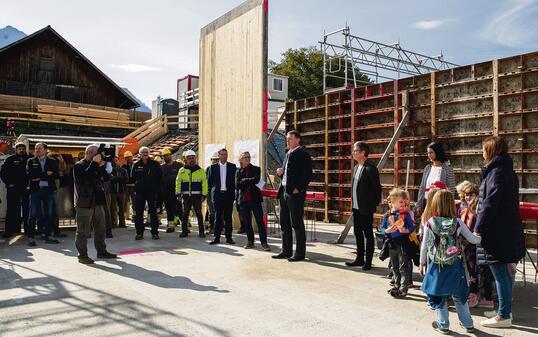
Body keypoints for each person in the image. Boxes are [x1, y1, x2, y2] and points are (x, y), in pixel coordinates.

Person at [475, 136, 525, 328]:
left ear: (491, 151)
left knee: (500, 272)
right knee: (505, 272)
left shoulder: (496, 173)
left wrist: (478, 227)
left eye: (483, 149)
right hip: (506, 229)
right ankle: (505, 311)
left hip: (497, 232)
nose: (482, 152)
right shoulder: (506, 171)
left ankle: (504, 316)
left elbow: (488, 204)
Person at [420, 190, 481, 334]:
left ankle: (443, 325)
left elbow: (424, 245)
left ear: (434, 204)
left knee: (439, 295)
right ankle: (468, 324)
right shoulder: (457, 222)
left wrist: (422, 263)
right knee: (459, 296)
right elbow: (473, 240)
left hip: (436, 265)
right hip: (455, 264)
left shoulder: (430, 222)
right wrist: (480, 235)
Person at [73, 144, 117, 264]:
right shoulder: (79, 166)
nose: (99, 156)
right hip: (85, 202)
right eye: (96, 153)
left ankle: (101, 251)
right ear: (89, 153)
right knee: (83, 231)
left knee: (101, 228)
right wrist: (95, 164)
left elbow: (106, 178)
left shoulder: (96, 165)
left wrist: (101, 167)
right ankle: (82, 255)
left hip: (98, 201)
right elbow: (85, 178)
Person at [272, 130, 312, 261]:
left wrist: (298, 188)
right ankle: (286, 250)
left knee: (297, 223)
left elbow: (307, 175)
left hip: (294, 193)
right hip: (284, 191)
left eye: (290, 139)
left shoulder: (302, 154)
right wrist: (281, 172)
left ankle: (300, 253)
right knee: (284, 223)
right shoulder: (288, 154)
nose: (287, 141)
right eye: (287, 139)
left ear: (297, 140)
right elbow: (289, 173)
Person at [345, 141, 381, 270]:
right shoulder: (355, 168)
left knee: (368, 234)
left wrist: (372, 205)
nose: (353, 153)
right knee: (357, 232)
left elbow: (377, 189)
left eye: (355, 151)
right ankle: (359, 258)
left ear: (363, 152)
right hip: (356, 207)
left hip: (366, 208)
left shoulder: (370, 169)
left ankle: (368, 261)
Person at [381, 189, 414, 298]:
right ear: (393, 202)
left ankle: (403, 289)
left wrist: (407, 230)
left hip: (403, 243)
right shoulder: (387, 215)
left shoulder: (406, 215)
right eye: (401, 202)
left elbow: (412, 227)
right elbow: (383, 228)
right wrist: (387, 231)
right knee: (395, 266)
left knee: (403, 267)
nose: (404, 204)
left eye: (405, 202)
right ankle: (397, 285)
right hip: (392, 243)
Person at [26, 143, 59, 246]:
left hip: (48, 190)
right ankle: (31, 237)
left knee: (49, 214)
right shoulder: (31, 161)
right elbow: (30, 175)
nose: (37, 150)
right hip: (35, 190)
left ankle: (48, 235)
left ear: (46, 150)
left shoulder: (52, 161)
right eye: (36, 148)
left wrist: (39, 176)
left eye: (39, 148)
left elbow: (56, 175)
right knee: (33, 214)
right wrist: (46, 174)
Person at [236, 151, 270, 251]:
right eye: (245, 157)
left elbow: (256, 180)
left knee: (260, 221)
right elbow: (237, 185)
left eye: (249, 157)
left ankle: (264, 243)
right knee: (247, 222)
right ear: (241, 159)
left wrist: (244, 180)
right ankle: (250, 241)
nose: (247, 158)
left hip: (254, 200)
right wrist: (247, 181)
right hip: (243, 200)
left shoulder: (256, 169)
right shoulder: (238, 172)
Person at [0, 142, 32, 238]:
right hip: (13, 189)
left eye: (23, 148)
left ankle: (28, 231)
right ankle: (9, 231)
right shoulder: (10, 159)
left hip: (27, 189)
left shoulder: (30, 159)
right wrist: (8, 183)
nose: (21, 150)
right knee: (11, 210)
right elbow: (2, 172)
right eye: (19, 149)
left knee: (28, 210)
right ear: (16, 150)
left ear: (25, 149)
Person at [415, 142, 455, 216]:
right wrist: (419, 204)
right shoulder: (427, 168)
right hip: (427, 203)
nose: (429, 155)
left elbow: (451, 189)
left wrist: (449, 207)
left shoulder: (447, 169)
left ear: (437, 152)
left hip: (440, 204)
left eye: (431, 152)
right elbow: (422, 187)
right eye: (428, 153)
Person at [207, 148, 237, 245]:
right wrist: (213, 194)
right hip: (217, 196)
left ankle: (229, 237)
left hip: (228, 195)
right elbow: (210, 183)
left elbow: (234, 182)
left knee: (228, 217)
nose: (224, 156)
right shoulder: (213, 168)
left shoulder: (232, 167)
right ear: (219, 156)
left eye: (226, 154)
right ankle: (216, 237)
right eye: (222, 154)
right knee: (217, 217)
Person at [131, 147, 162, 240]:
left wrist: (157, 189)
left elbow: (160, 177)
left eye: (146, 152)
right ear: (139, 154)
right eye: (142, 152)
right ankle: (139, 232)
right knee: (139, 213)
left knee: (153, 212)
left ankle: (155, 232)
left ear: (149, 153)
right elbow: (132, 178)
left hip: (152, 192)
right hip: (140, 192)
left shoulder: (155, 164)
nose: (144, 154)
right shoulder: (136, 165)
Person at [176, 150, 207, 238]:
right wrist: (178, 194)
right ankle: (184, 231)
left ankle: (201, 232)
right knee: (185, 214)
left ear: (195, 158)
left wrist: (204, 195)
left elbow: (204, 183)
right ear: (185, 159)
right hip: (186, 196)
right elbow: (178, 183)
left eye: (192, 158)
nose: (191, 160)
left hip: (197, 196)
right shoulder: (181, 170)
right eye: (189, 158)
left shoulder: (201, 170)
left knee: (199, 214)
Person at [160, 147, 183, 233]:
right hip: (166, 192)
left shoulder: (179, 165)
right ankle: (170, 226)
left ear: (171, 155)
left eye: (167, 155)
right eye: (164, 156)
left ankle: (184, 227)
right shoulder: (161, 168)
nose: (166, 157)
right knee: (169, 209)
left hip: (177, 191)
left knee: (180, 209)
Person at [109, 156, 128, 231]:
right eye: (113, 161)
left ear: (119, 161)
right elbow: (110, 179)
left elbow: (126, 180)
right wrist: (119, 179)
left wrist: (115, 178)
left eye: (116, 160)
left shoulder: (123, 170)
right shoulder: (110, 170)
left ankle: (122, 223)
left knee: (122, 208)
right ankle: (113, 223)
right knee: (112, 208)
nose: (115, 162)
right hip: (113, 192)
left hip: (122, 192)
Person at [205, 152, 219, 234]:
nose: (216, 161)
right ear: (211, 160)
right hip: (210, 193)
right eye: (214, 160)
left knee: (220, 212)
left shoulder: (221, 168)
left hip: (220, 193)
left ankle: (221, 228)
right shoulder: (208, 169)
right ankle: (211, 228)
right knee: (211, 211)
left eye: (217, 160)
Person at [122, 151, 136, 221]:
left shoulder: (135, 165)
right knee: (125, 201)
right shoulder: (123, 166)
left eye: (130, 157)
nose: (129, 158)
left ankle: (134, 215)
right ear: (125, 158)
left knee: (135, 201)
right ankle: (125, 216)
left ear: (132, 157)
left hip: (134, 186)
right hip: (126, 186)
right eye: (127, 157)